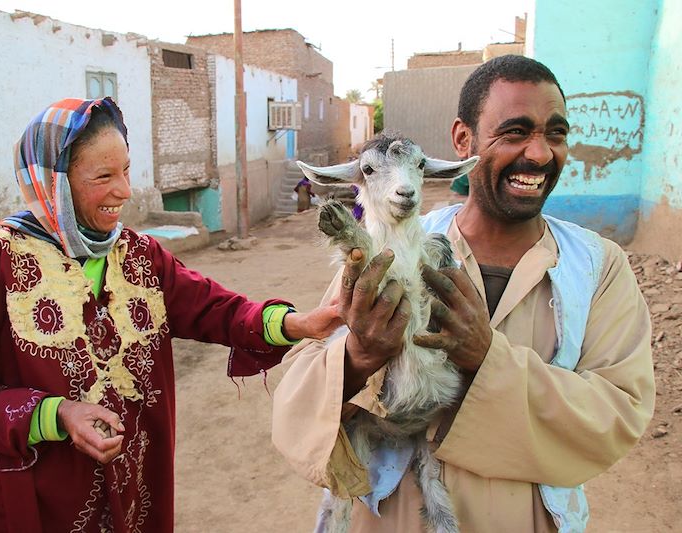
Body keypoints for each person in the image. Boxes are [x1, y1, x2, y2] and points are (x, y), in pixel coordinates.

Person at [272, 55, 655, 532]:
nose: (538, 154)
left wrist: (488, 358)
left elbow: (619, 412)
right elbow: (300, 391)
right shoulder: (388, 248)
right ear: (462, 140)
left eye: (555, 134)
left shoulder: (598, 265)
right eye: (514, 132)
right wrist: (358, 356)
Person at [0, 97, 340, 533]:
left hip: (136, 492)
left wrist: (296, 323)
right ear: (53, 183)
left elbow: (213, 308)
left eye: (126, 170)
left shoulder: (139, 255)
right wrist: (58, 413)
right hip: (38, 502)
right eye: (103, 176)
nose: (123, 190)